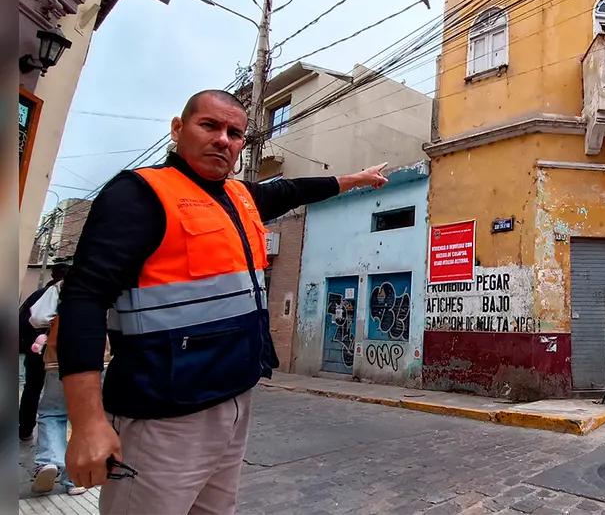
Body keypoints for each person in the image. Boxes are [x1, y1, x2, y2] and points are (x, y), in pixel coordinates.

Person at [57, 89, 389, 515]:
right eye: (209, 126)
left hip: (233, 401)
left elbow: (293, 189)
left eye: (234, 132)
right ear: (178, 129)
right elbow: (83, 301)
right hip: (163, 414)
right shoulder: (140, 193)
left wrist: (356, 179)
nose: (223, 140)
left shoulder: (240, 197)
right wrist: (86, 423)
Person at [26, 267, 95, 496]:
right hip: (99, 359)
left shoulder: (62, 286)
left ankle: (50, 461)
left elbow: (36, 317)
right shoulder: (114, 284)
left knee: (53, 412)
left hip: (61, 357)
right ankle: (75, 478)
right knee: (84, 419)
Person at [18, 264, 70, 442]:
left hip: (37, 348)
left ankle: (25, 429)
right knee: (55, 395)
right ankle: (51, 440)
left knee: (32, 387)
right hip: (60, 350)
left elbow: (22, 320)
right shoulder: (74, 296)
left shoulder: (40, 294)